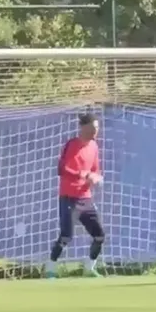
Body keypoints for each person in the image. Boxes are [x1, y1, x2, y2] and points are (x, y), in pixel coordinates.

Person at [46, 113, 105, 278]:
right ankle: (50, 268)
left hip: (85, 198)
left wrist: (95, 177)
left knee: (99, 235)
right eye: (93, 128)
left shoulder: (94, 146)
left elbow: (95, 169)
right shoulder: (72, 144)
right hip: (68, 197)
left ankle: (89, 268)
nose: (95, 131)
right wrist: (83, 175)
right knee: (66, 236)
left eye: (97, 128)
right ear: (83, 127)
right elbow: (62, 169)